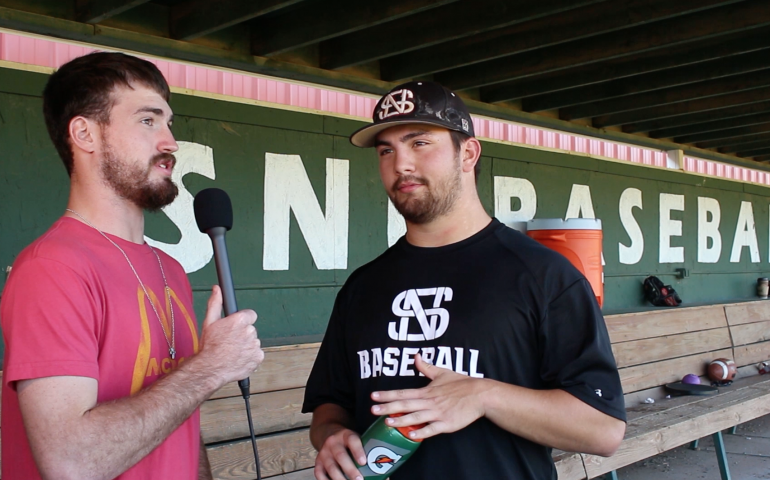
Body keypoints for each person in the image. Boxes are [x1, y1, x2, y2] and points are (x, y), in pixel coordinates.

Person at [302, 81, 627, 480]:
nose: (400, 164)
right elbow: (330, 404)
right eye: (386, 150)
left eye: (419, 143)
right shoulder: (363, 286)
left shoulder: (543, 275)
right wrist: (332, 435)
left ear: (468, 153)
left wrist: (483, 395)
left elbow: (604, 429)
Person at [0, 52, 264, 480]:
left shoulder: (170, 269)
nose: (170, 142)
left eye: (168, 123)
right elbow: (71, 463)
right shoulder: (51, 268)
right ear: (84, 133)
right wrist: (211, 366)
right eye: (148, 121)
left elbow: (177, 425)